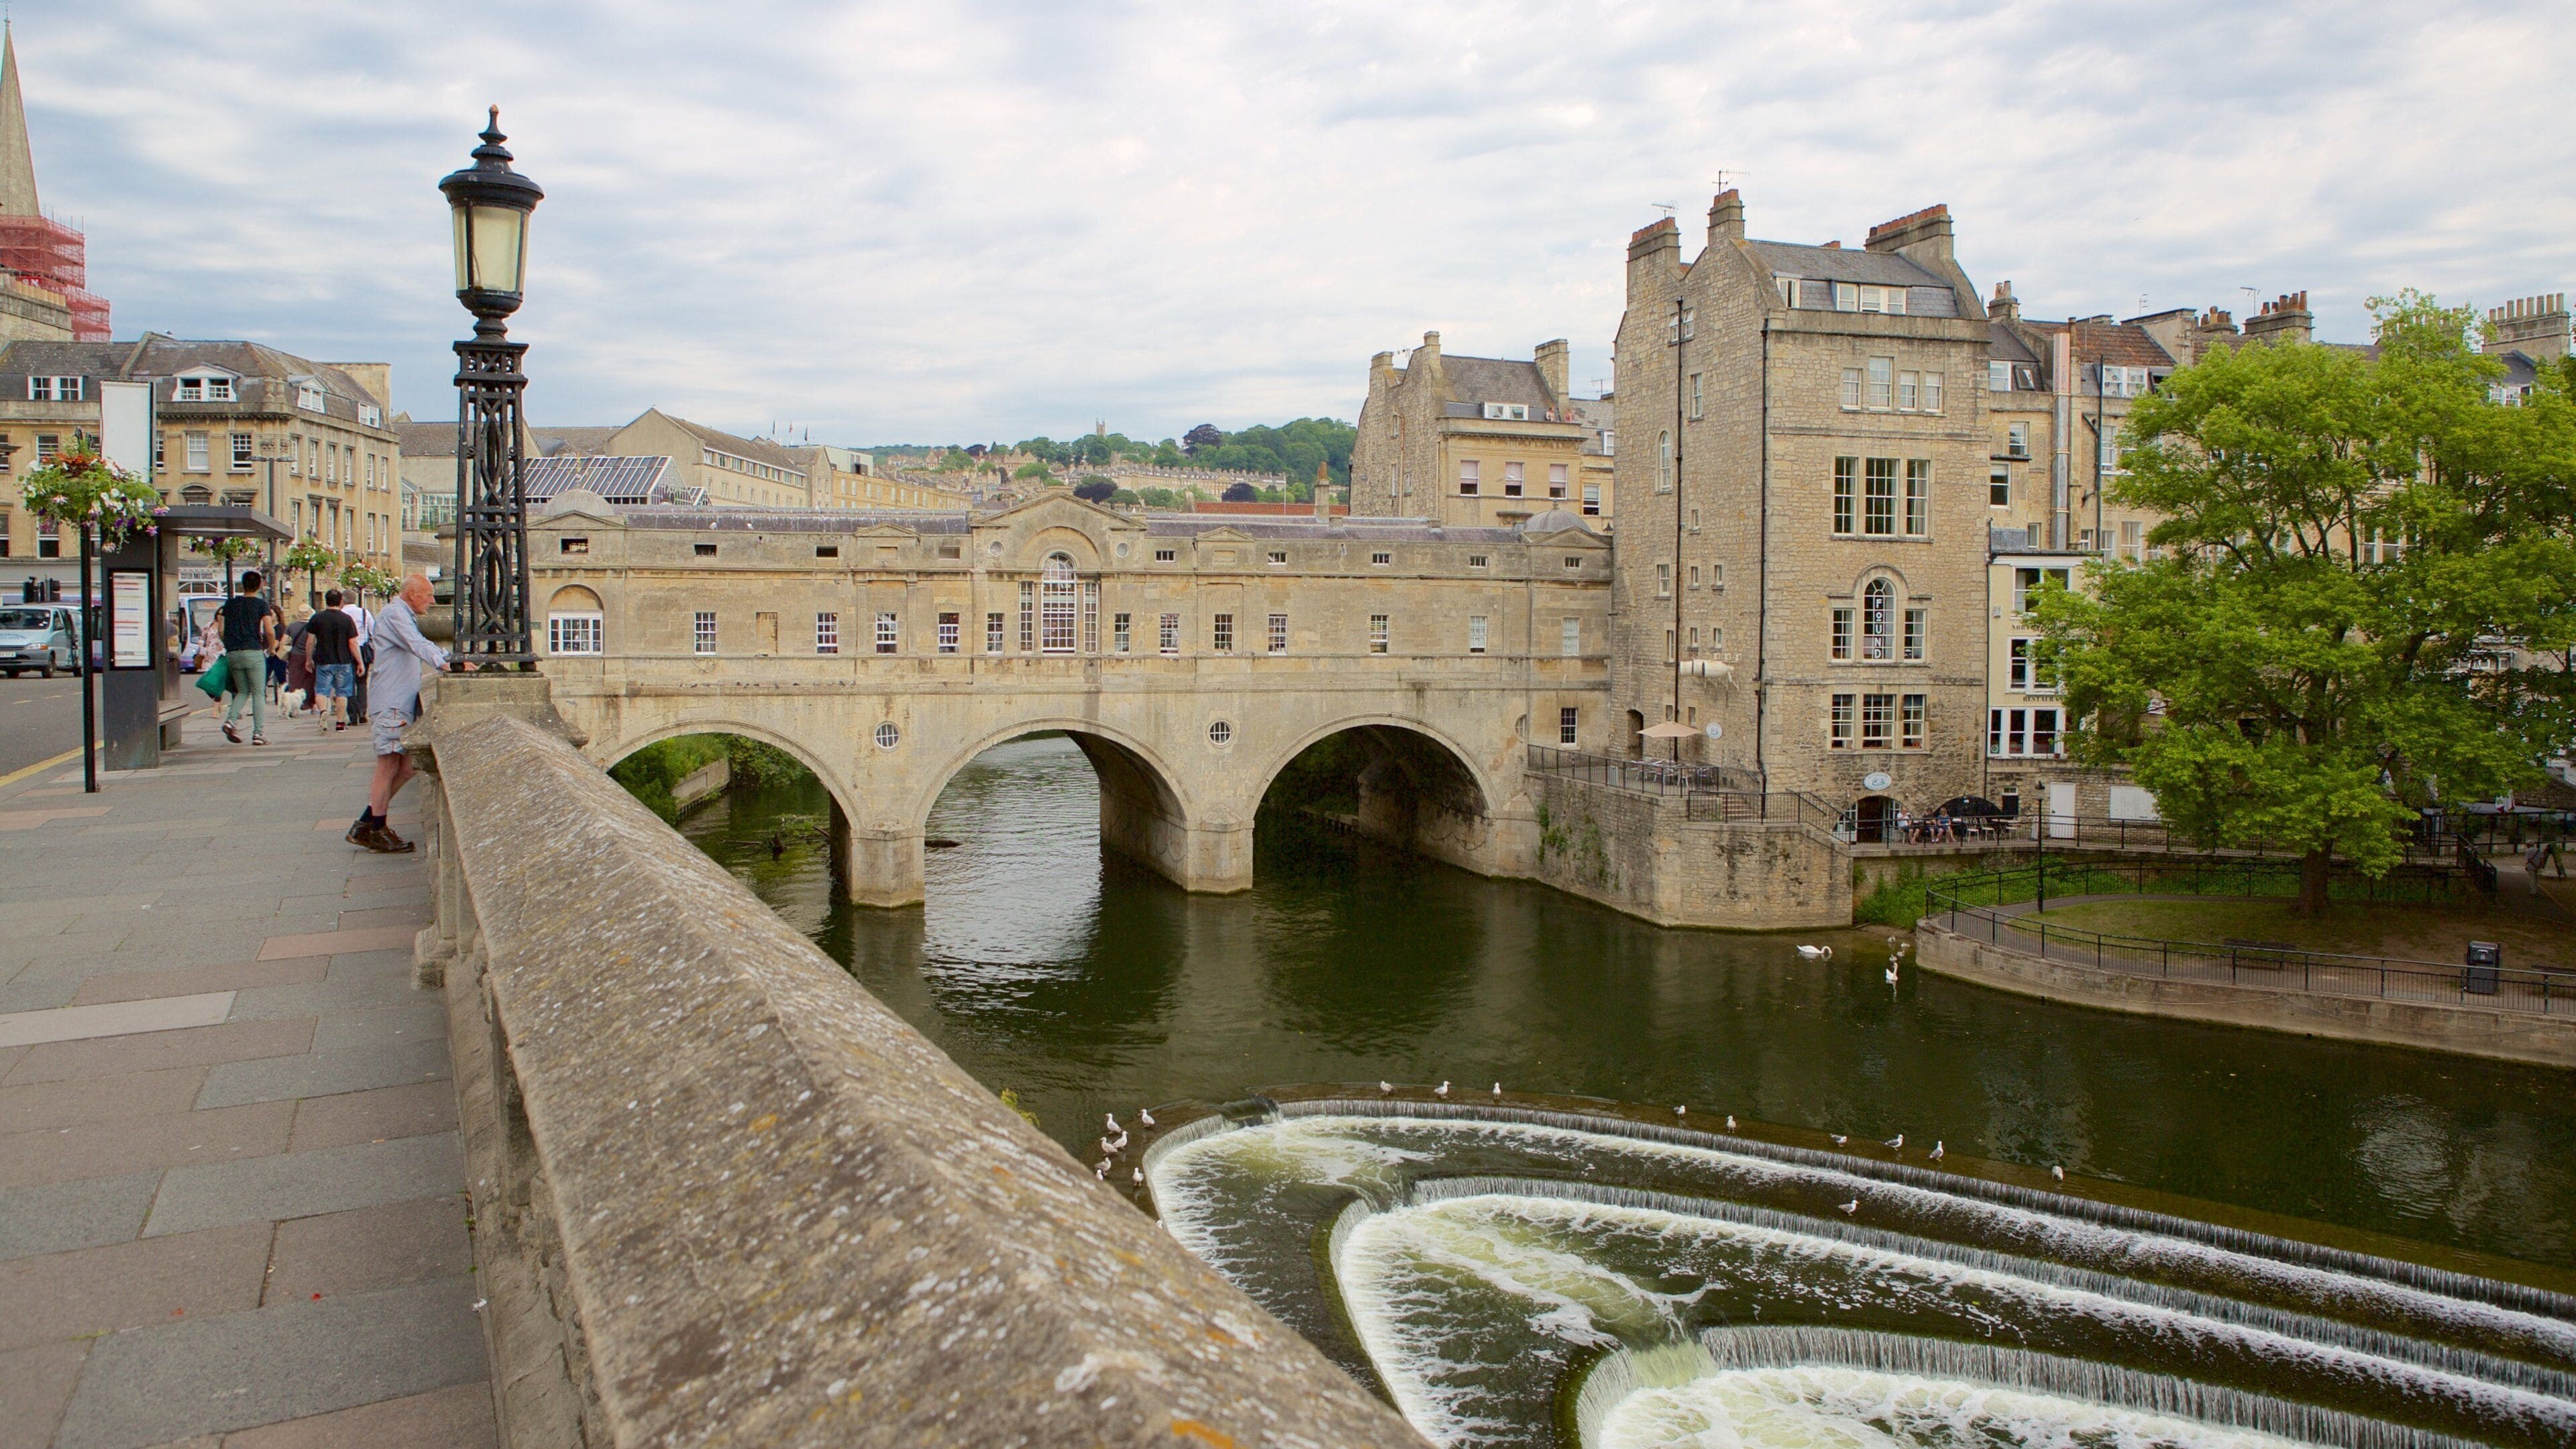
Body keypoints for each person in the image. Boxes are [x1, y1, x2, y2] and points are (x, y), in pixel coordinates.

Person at [349, 574, 453, 853]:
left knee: (407, 767)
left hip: (401, 702)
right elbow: (417, 645)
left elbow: (419, 642)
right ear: (412, 594)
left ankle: (366, 822)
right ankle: (376, 828)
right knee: (387, 767)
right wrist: (448, 664)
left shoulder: (401, 614)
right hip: (392, 702)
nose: (432, 601)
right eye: (428, 595)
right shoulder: (396, 614)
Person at [217, 571, 276, 745]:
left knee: (242, 690)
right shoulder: (261, 605)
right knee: (258, 693)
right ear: (259, 585)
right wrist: (271, 648)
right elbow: (269, 630)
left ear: (243, 585)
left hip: (234, 652)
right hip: (253, 651)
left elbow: (221, 629)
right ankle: (258, 734)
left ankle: (231, 720)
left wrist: (228, 645)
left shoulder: (231, 604)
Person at [304, 588, 362, 731]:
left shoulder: (317, 618)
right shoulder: (347, 619)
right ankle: (341, 723)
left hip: (323, 661)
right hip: (344, 661)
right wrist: (360, 661)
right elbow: (353, 643)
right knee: (342, 692)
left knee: (322, 691)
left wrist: (308, 659)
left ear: (326, 600)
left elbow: (310, 642)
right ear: (341, 601)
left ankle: (323, 711)